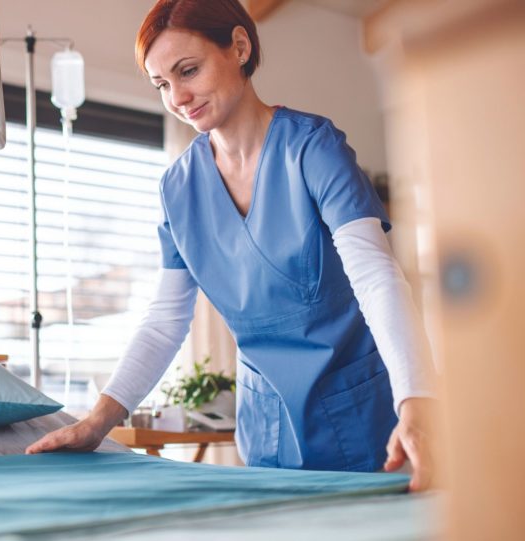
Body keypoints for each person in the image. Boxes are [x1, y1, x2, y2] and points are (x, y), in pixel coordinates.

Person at [26, 0, 437, 491]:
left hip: (362, 415)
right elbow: (164, 322)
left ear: (239, 47)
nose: (178, 96)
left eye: (188, 70)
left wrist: (416, 400)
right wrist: (98, 422)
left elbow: (376, 277)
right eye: (161, 84)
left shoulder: (313, 148)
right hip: (266, 424)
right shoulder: (178, 188)